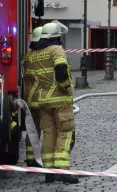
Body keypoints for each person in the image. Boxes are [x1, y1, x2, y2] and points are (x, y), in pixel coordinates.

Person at [23, 21, 78, 183]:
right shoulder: (56, 50)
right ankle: (63, 171)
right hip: (59, 99)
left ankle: (49, 171)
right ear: (56, 37)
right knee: (65, 133)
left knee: (49, 134)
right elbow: (61, 69)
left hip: (43, 101)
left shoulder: (32, 54)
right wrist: (66, 86)